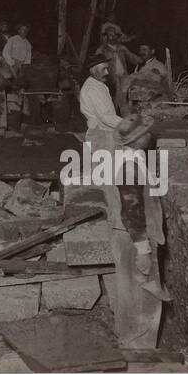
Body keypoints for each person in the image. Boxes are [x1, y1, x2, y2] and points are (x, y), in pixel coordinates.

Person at [78, 58, 169, 316]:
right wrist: (143, 249)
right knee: (136, 293)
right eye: (146, 133)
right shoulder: (129, 167)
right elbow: (132, 208)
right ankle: (134, 341)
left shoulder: (132, 158)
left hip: (133, 231)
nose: (150, 137)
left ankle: (132, 328)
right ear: (138, 139)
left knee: (136, 289)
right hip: (133, 235)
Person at [95, 22, 141, 113]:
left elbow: (132, 58)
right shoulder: (101, 50)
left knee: (125, 102)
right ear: (106, 36)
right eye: (109, 35)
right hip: (111, 80)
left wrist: (141, 60)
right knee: (112, 102)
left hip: (124, 78)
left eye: (113, 35)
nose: (111, 37)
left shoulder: (122, 48)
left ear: (117, 36)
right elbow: (96, 66)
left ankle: (126, 120)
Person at [2, 23, 33, 135]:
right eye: (21, 29)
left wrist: (23, 71)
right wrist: (12, 66)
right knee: (9, 89)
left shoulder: (28, 44)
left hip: (21, 67)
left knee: (20, 90)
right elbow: (5, 53)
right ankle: (6, 118)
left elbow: (28, 60)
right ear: (18, 30)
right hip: (10, 65)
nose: (23, 31)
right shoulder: (12, 40)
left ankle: (17, 117)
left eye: (25, 29)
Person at [123, 43, 175, 111]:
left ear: (152, 51)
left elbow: (163, 85)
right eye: (140, 50)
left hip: (156, 105)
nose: (141, 52)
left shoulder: (159, 66)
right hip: (141, 104)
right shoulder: (139, 65)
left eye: (144, 50)